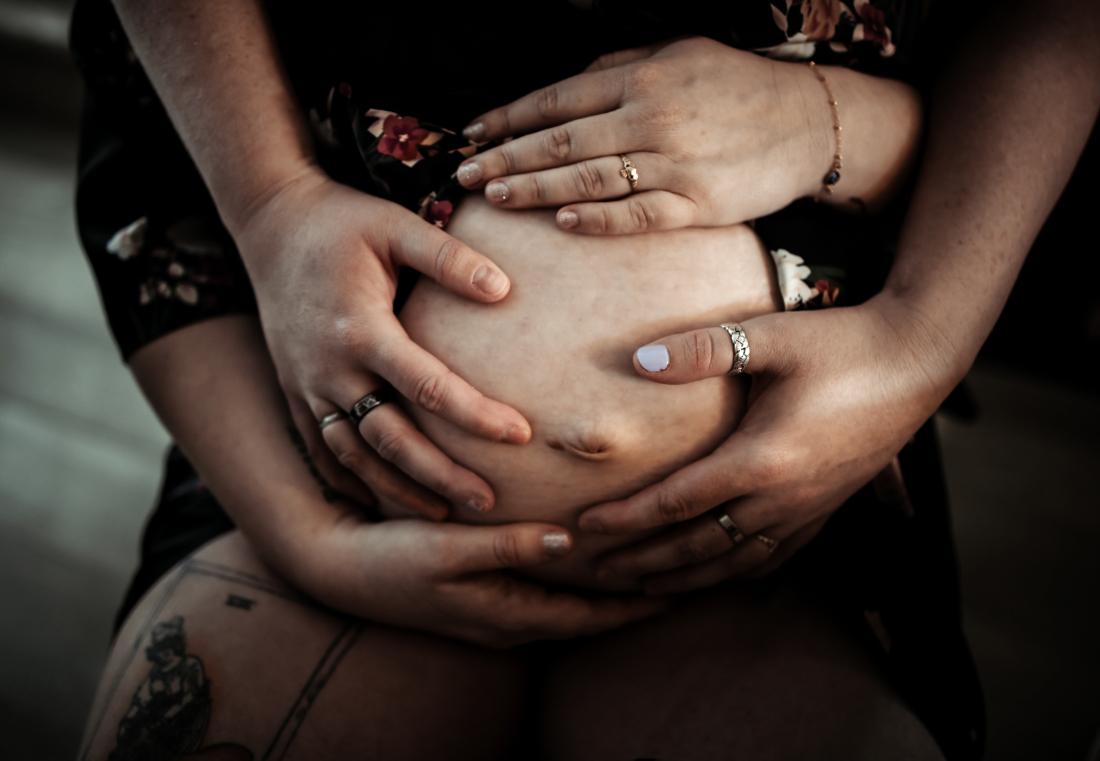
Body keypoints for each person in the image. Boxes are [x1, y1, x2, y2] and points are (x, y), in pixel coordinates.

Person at [68, 0, 1100, 758]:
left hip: (787, 533)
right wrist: (269, 205)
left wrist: (923, 331)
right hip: (308, 466)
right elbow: (150, 174)